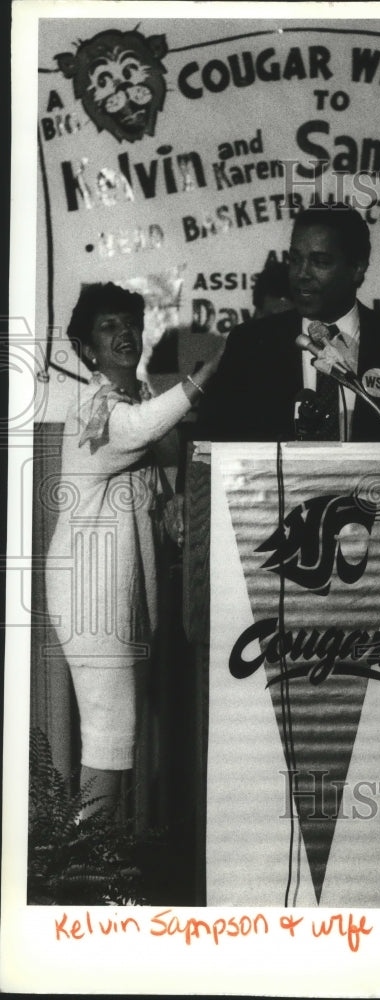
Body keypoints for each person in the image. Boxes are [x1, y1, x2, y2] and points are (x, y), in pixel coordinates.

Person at [46, 282, 222, 816]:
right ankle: (73, 874)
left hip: (121, 593)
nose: (124, 332)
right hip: (91, 596)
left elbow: (156, 457)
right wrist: (220, 362)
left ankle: (94, 869)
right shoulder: (96, 410)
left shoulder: (132, 401)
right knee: (111, 737)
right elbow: (140, 429)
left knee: (117, 738)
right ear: (86, 350)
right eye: (108, 326)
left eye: (130, 322)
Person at [198, 203, 380, 441]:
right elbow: (209, 443)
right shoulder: (250, 343)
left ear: (357, 269)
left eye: (320, 262)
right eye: (295, 259)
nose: (301, 274)